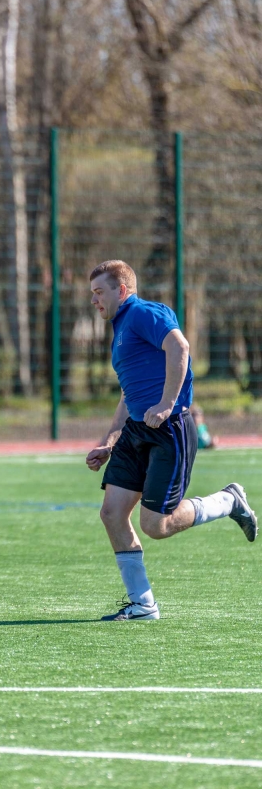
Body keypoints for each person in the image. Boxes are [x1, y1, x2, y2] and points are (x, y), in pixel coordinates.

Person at [86, 260, 257, 621]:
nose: (95, 301)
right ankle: (143, 604)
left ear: (122, 289)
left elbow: (180, 347)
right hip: (135, 431)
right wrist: (110, 440)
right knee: (112, 513)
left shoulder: (143, 312)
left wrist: (166, 404)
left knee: (155, 525)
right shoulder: (120, 327)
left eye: (99, 292)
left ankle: (227, 501)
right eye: (92, 294)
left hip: (169, 429)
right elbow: (128, 392)